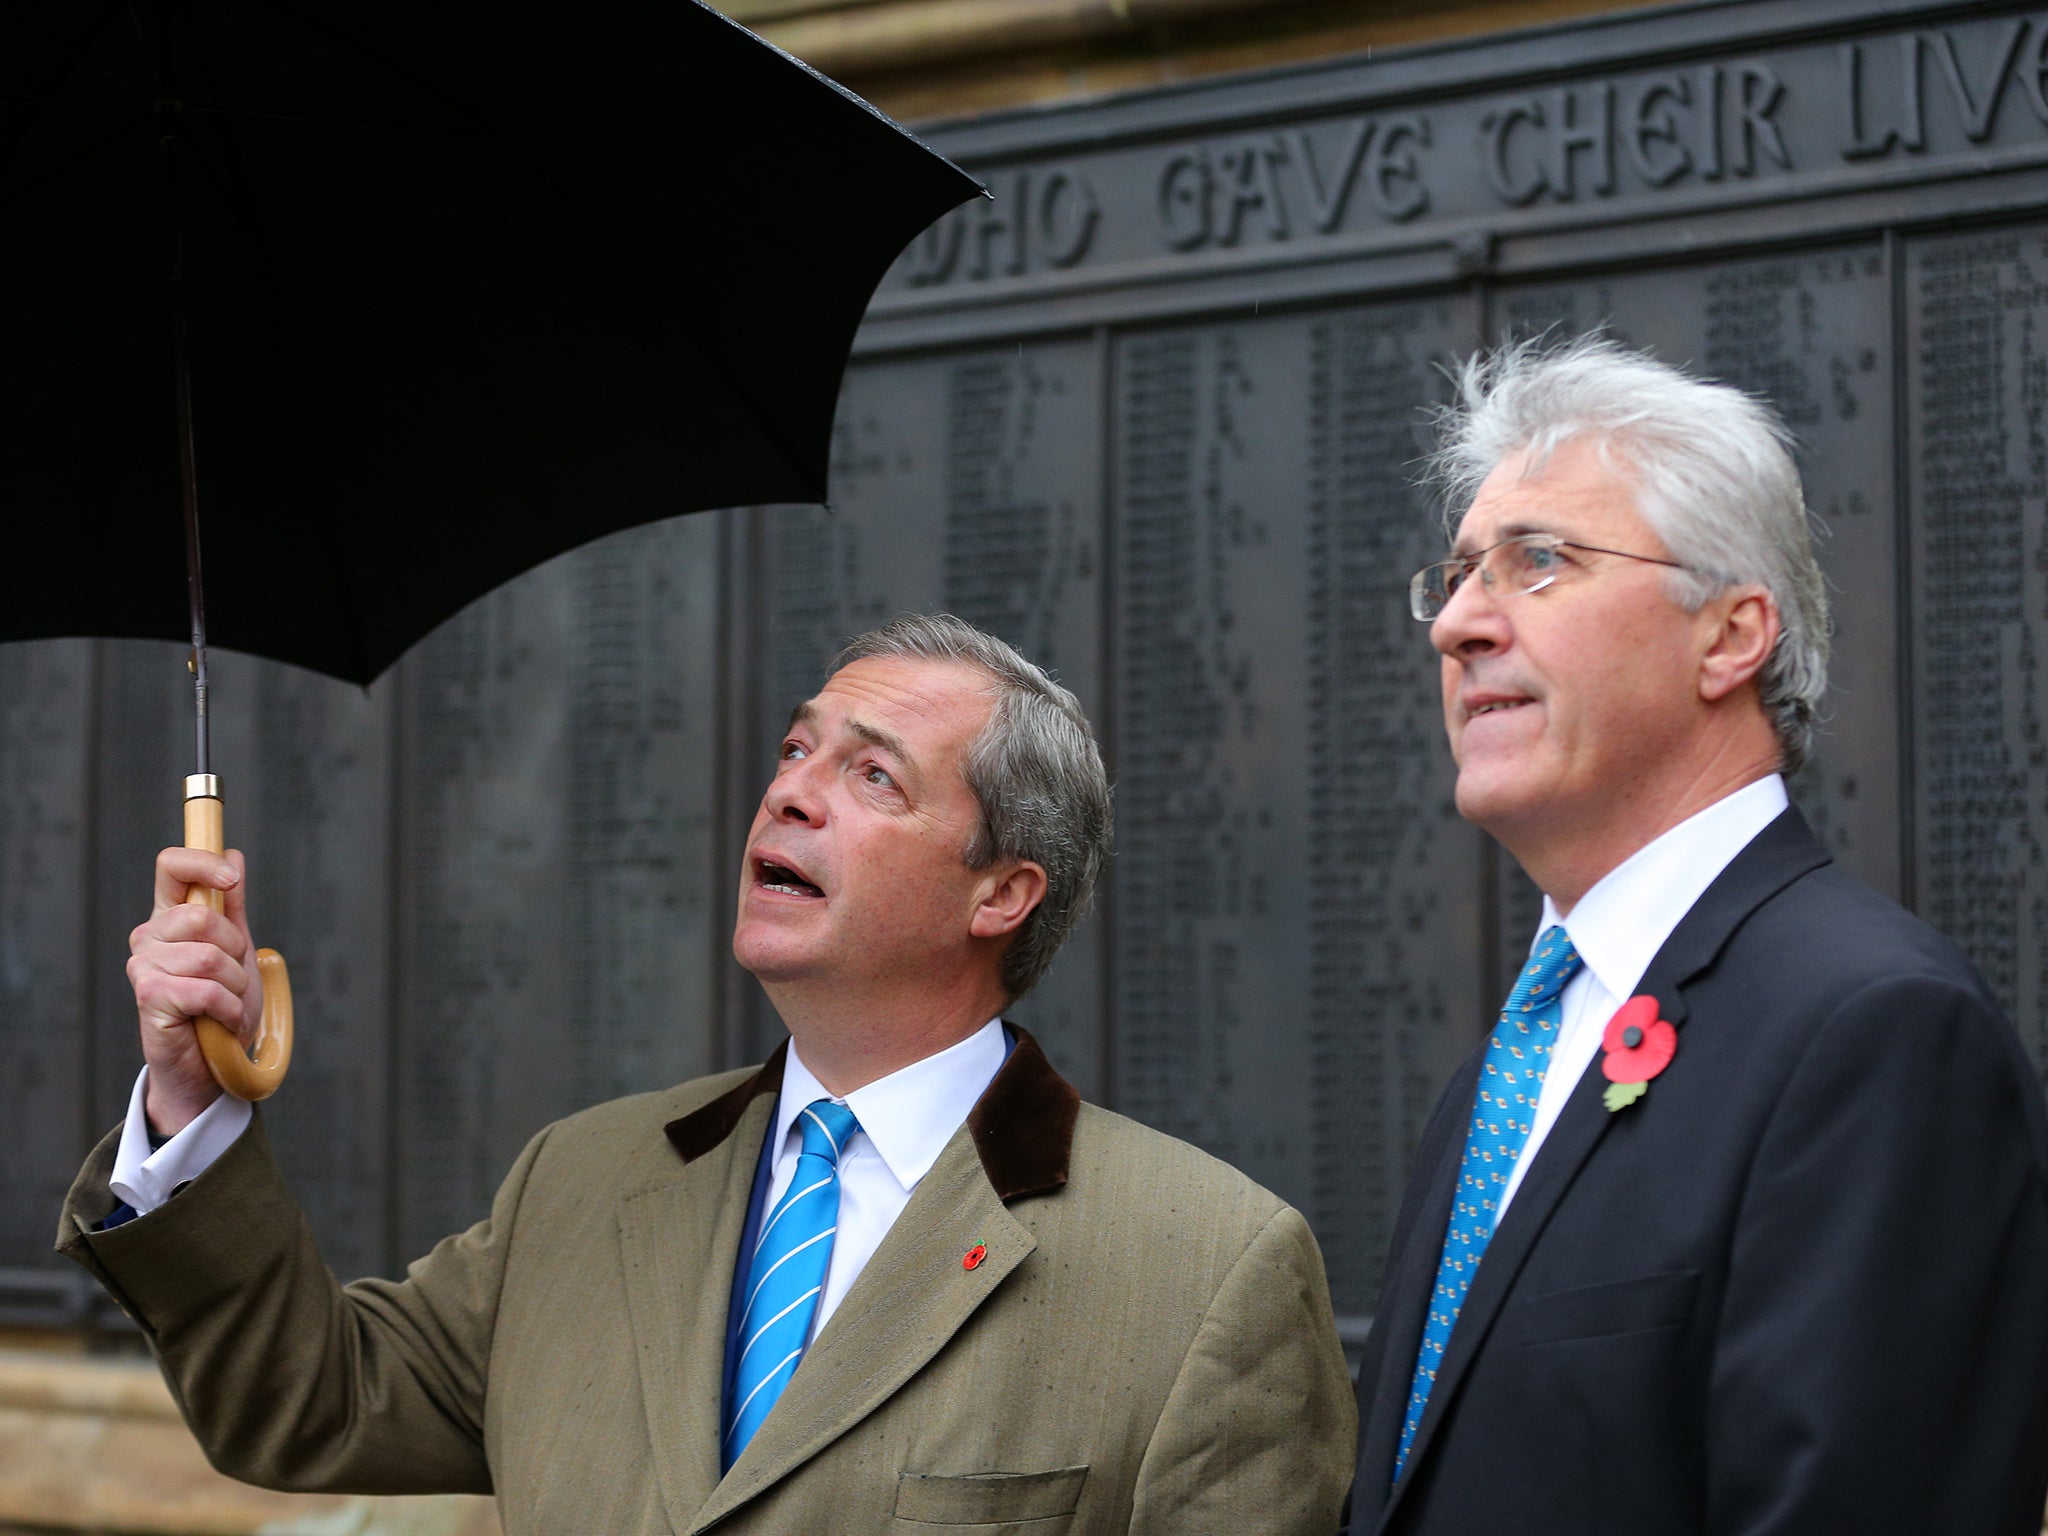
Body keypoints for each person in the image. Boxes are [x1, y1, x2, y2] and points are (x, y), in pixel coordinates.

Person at [60, 613, 1355, 1534]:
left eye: (870, 775)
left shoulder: (1206, 1274)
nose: (790, 795)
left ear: (1004, 892)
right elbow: (307, 1402)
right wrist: (191, 1094)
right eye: (796, 751)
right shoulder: (583, 1183)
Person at [1348, 337, 2048, 1534]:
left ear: (1728, 636)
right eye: (1458, 573)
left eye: (1537, 562)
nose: (1457, 623)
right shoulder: (1520, 1056)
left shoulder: (1874, 1034)